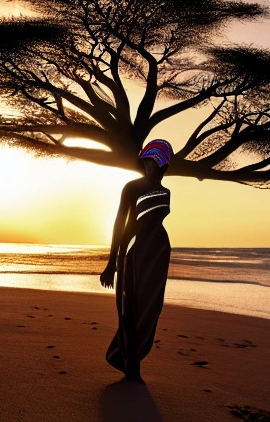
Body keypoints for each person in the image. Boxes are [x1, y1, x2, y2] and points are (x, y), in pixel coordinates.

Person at [100, 139, 173, 384]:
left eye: (157, 162)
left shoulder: (166, 192)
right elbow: (121, 223)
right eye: (149, 160)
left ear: (164, 166)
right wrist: (112, 263)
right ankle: (130, 366)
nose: (152, 166)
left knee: (151, 309)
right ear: (144, 161)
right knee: (130, 308)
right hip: (135, 252)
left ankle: (133, 361)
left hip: (159, 253)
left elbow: (156, 224)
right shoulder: (131, 188)